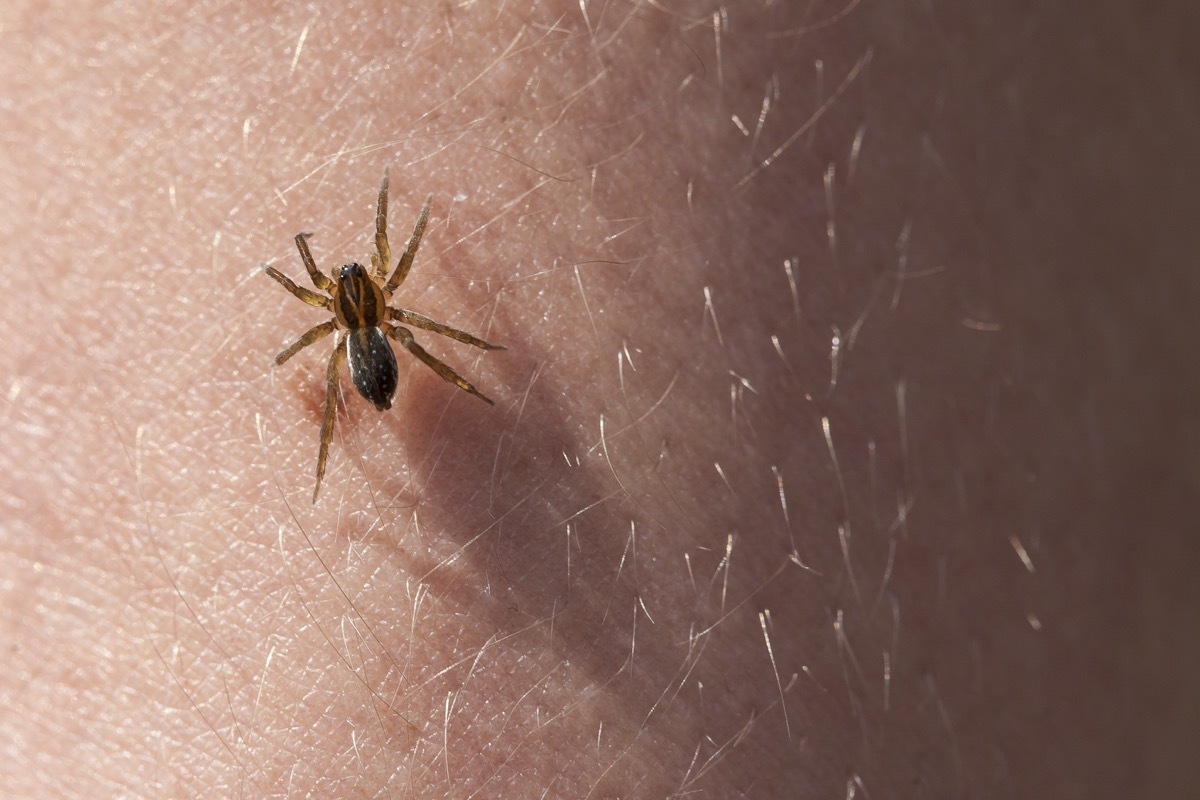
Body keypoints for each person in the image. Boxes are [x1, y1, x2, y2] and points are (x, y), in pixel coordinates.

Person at [1, 2, 1194, 796]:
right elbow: (405, 322)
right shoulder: (374, 317)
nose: (358, 289)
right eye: (351, 283)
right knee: (435, 364)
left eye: (354, 280)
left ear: (351, 296)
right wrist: (375, 255)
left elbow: (374, 324)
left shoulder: (354, 321)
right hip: (404, 388)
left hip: (403, 396)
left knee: (429, 366)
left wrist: (347, 262)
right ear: (355, 298)